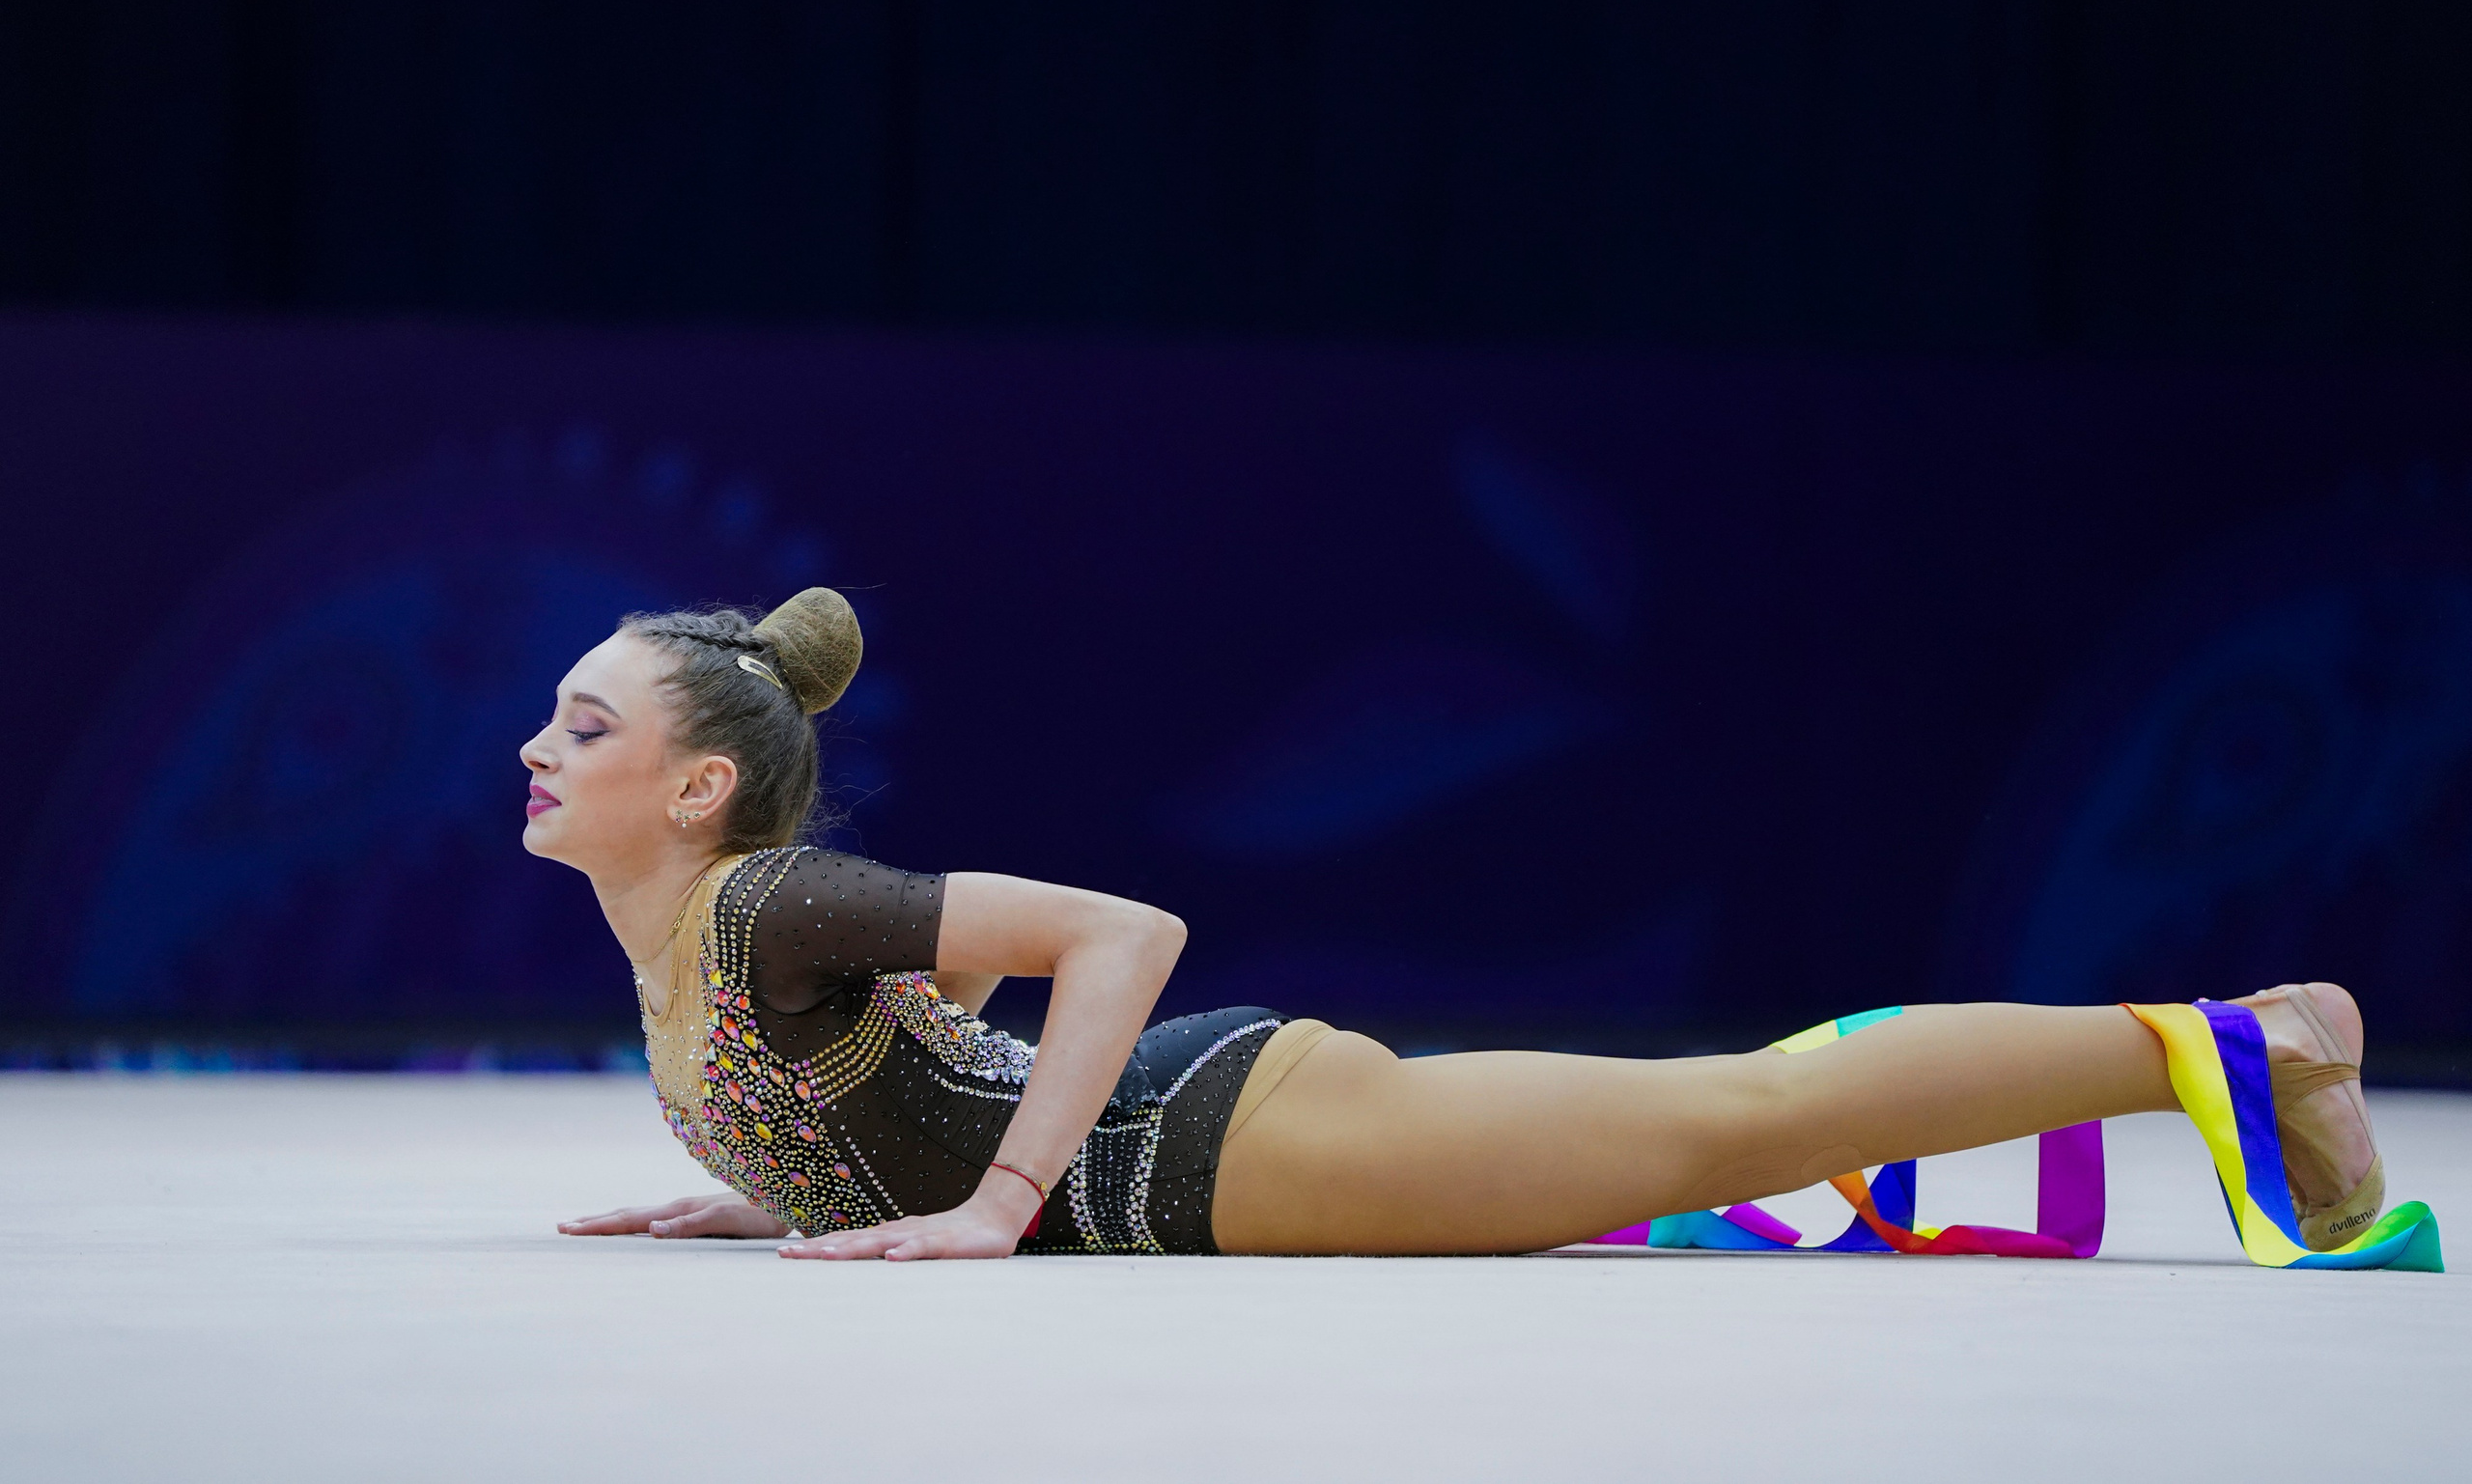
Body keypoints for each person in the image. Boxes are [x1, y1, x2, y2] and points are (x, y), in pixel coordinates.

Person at [534, 590, 2384, 1261]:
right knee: (1738, 1115)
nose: (538, 749)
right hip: (1213, 1152)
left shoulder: (771, 901)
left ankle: (2247, 1034)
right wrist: (813, 1169)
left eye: (586, 727)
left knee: (1744, 1114)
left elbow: (1120, 931)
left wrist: (997, 1202)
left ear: (701, 791)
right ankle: (2223, 1036)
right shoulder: (719, 935)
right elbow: (931, 1017)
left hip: (1233, 1149)